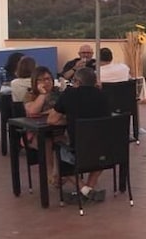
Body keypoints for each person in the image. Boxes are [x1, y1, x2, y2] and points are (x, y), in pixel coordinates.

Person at [47, 67, 110, 202]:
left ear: (77, 81)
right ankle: (89, 189)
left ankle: (84, 189)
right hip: (105, 152)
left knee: (60, 149)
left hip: (78, 151)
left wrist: (70, 119)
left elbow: (51, 120)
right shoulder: (104, 96)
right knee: (100, 152)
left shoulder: (69, 94)